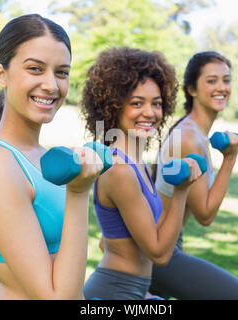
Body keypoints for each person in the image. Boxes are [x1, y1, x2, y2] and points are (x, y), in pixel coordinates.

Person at [0, 14, 103, 300]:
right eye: (35, 69)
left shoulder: (35, 157)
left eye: (61, 72)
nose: (52, 85)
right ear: (1, 74)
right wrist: (78, 193)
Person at [80, 47, 203, 300]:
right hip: (113, 293)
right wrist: (181, 190)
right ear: (112, 106)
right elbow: (159, 253)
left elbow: (115, 240)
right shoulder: (119, 169)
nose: (150, 113)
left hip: (135, 292)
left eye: (156, 104)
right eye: (137, 103)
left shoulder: (138, 164)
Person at [150, 51, 238, 299]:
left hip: (166, 245)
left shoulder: (195, 133)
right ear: (192, 89)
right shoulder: (190, 138)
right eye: (211, 81)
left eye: (226, 80)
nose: (222, 87)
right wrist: (230, 158)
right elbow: (205, 214)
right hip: (158, 254)